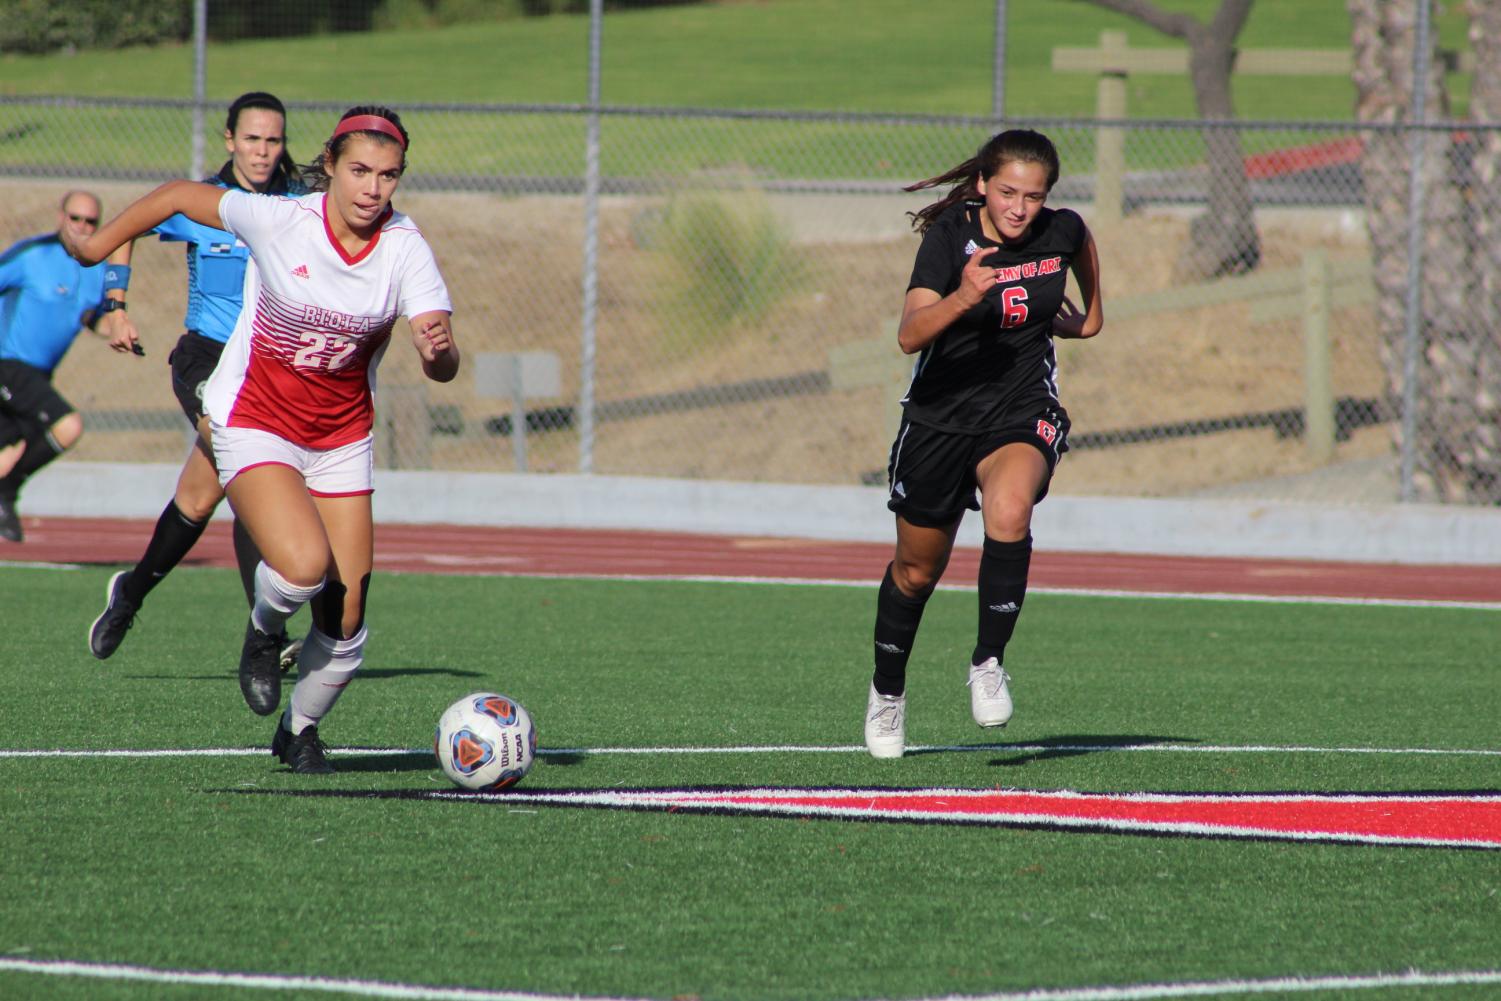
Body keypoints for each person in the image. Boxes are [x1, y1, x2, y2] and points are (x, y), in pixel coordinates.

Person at [66, 106, 459, 774]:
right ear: (329, 165)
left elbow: (442, 359)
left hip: (340, 438)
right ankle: (262, 629)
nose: (372, 189)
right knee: (302, 565)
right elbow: (174, 197)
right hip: (254, 419)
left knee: (348, 617)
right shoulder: (280, 219)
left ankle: (298, 730)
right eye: (359, 170)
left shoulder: (405, 246)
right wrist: (97, 248)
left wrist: (436, 350)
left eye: (388, 176)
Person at [863, 129, 1103, 759]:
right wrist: (966, 295)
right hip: (940, 419)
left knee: (1009, 510)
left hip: (1020, 408)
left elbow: (1082, 254)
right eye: (1006, 192)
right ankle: (888, 694)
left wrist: (1090, 317)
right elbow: (910, 335)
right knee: (917, 573)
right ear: (981, 187)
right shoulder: (949, 239)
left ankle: (987, 661)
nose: (1020, 207)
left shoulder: (1063, 230)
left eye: (1033, 195)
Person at [88, 92, 307, 667]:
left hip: (271, 367)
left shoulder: (298, 206)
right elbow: (130, 227)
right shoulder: (201, 201)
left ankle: (130, 594)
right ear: (230, 140)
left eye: (273, 140)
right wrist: (115, 301)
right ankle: (268, 638)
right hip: (205, 359)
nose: (262, 151)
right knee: (250, 472)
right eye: (252, 139)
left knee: (203, 493)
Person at [0, 191, 115, 543]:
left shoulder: (97, 269)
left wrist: (117, 329)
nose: (81, 226)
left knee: (9, 451)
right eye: (75, 218)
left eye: (90, 221)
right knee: (68, 425)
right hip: (8, 365)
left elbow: (92, 318)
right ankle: (7, 492)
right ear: (60, 218)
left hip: (39, 376)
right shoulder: (33, 255)